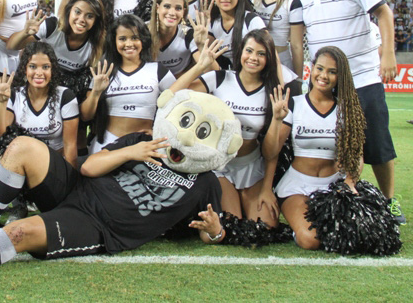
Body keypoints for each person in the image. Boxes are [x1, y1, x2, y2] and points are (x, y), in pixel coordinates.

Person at [0, 108, 230, 277]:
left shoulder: (206, 182)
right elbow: (88, 168)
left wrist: (214, 233)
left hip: (98, 225)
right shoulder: (145, 141)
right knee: (22, 146)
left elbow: (211, 232)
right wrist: (130, 152)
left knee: (19, 232)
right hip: (79, 186)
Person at [293, 0, 404, 224]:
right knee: (330, 145)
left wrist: (389, 53)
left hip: (363, 77)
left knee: (377, 144)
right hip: (324, 83)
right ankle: (339, 198)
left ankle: (391, 202)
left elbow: (383, 12)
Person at [169, 29, 281, 228]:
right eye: (249, 51)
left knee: (266, 226)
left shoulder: (272, 90)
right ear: (240, 53)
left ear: (269, 58)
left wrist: (267, 188)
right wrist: (200, 67)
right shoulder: (220, 78)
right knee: (231, 223)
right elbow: (173, 93)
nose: (253, 58)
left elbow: (272, 151)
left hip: (251, 165)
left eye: (261, 54)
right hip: (221, 165)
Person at [264, 46, 366, 250]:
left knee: (355, 235)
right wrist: (276, 121)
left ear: (340, 76)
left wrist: (350, 182)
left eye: (332, 71)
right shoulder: (294, 104)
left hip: (334, 186)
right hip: (297, 186)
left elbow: (357, 154)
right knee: (311, 240)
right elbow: (270, 152)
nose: (324, 76)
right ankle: (298, 226)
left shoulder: (347, 108)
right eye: (320, 68)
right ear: (311, 68)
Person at [81, 14, 176, 153]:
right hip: (107, 145)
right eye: (122, 39)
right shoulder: (104, 72)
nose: (129, 44)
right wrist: (96, 92)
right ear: (114, 42)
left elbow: (179, 104)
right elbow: (85, 116)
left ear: (143, 40)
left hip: (144, 146)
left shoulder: (158, 70)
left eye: (134, 38)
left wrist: (158, 129)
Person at [0, 42, 79, 167]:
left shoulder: (65, 96)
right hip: (23, 164)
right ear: (24, 69)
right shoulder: (14, 95)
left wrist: (71, 180)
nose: (39, 73)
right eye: (32, 66)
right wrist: (1, 103)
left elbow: (70, 146)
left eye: (45, 67)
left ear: (52, 70)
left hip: (53, 164)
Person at [208, 0, 266, 69]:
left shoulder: (252, 21)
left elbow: (271, 57)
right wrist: (200, 42)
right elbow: (208, 62)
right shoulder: (212, 25)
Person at [148, 0, 207, 77]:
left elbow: (212, 71)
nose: (172, 13)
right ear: (157, 8)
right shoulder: (143, 31)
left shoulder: (188, 34)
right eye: (167, 6)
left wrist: (202, 46)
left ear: (184, 11)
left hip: (182, 83)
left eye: (178, 8)